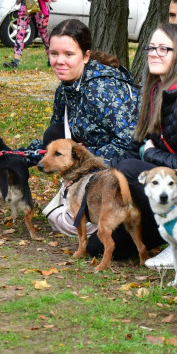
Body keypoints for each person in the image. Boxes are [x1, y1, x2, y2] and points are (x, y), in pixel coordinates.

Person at [88, 23, 177, 264]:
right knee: (100, 245)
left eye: (164, 48)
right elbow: (142, 143)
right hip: (169, 190)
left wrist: (150, 154)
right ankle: (169, 233)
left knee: (129, 172)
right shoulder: (159, 89)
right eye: (151, 47)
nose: (154, 53)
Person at [34, 19, 141, 236]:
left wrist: (83, 159)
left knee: (95, 245)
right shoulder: (64, 88)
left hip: (125, 167)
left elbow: (130, 142)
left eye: (69, 54)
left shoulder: (103, 89)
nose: (59, 61)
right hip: (89, 166)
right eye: (54, 54)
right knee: (53, 133)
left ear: (86, 56)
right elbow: (58, 138)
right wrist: (19, 154)